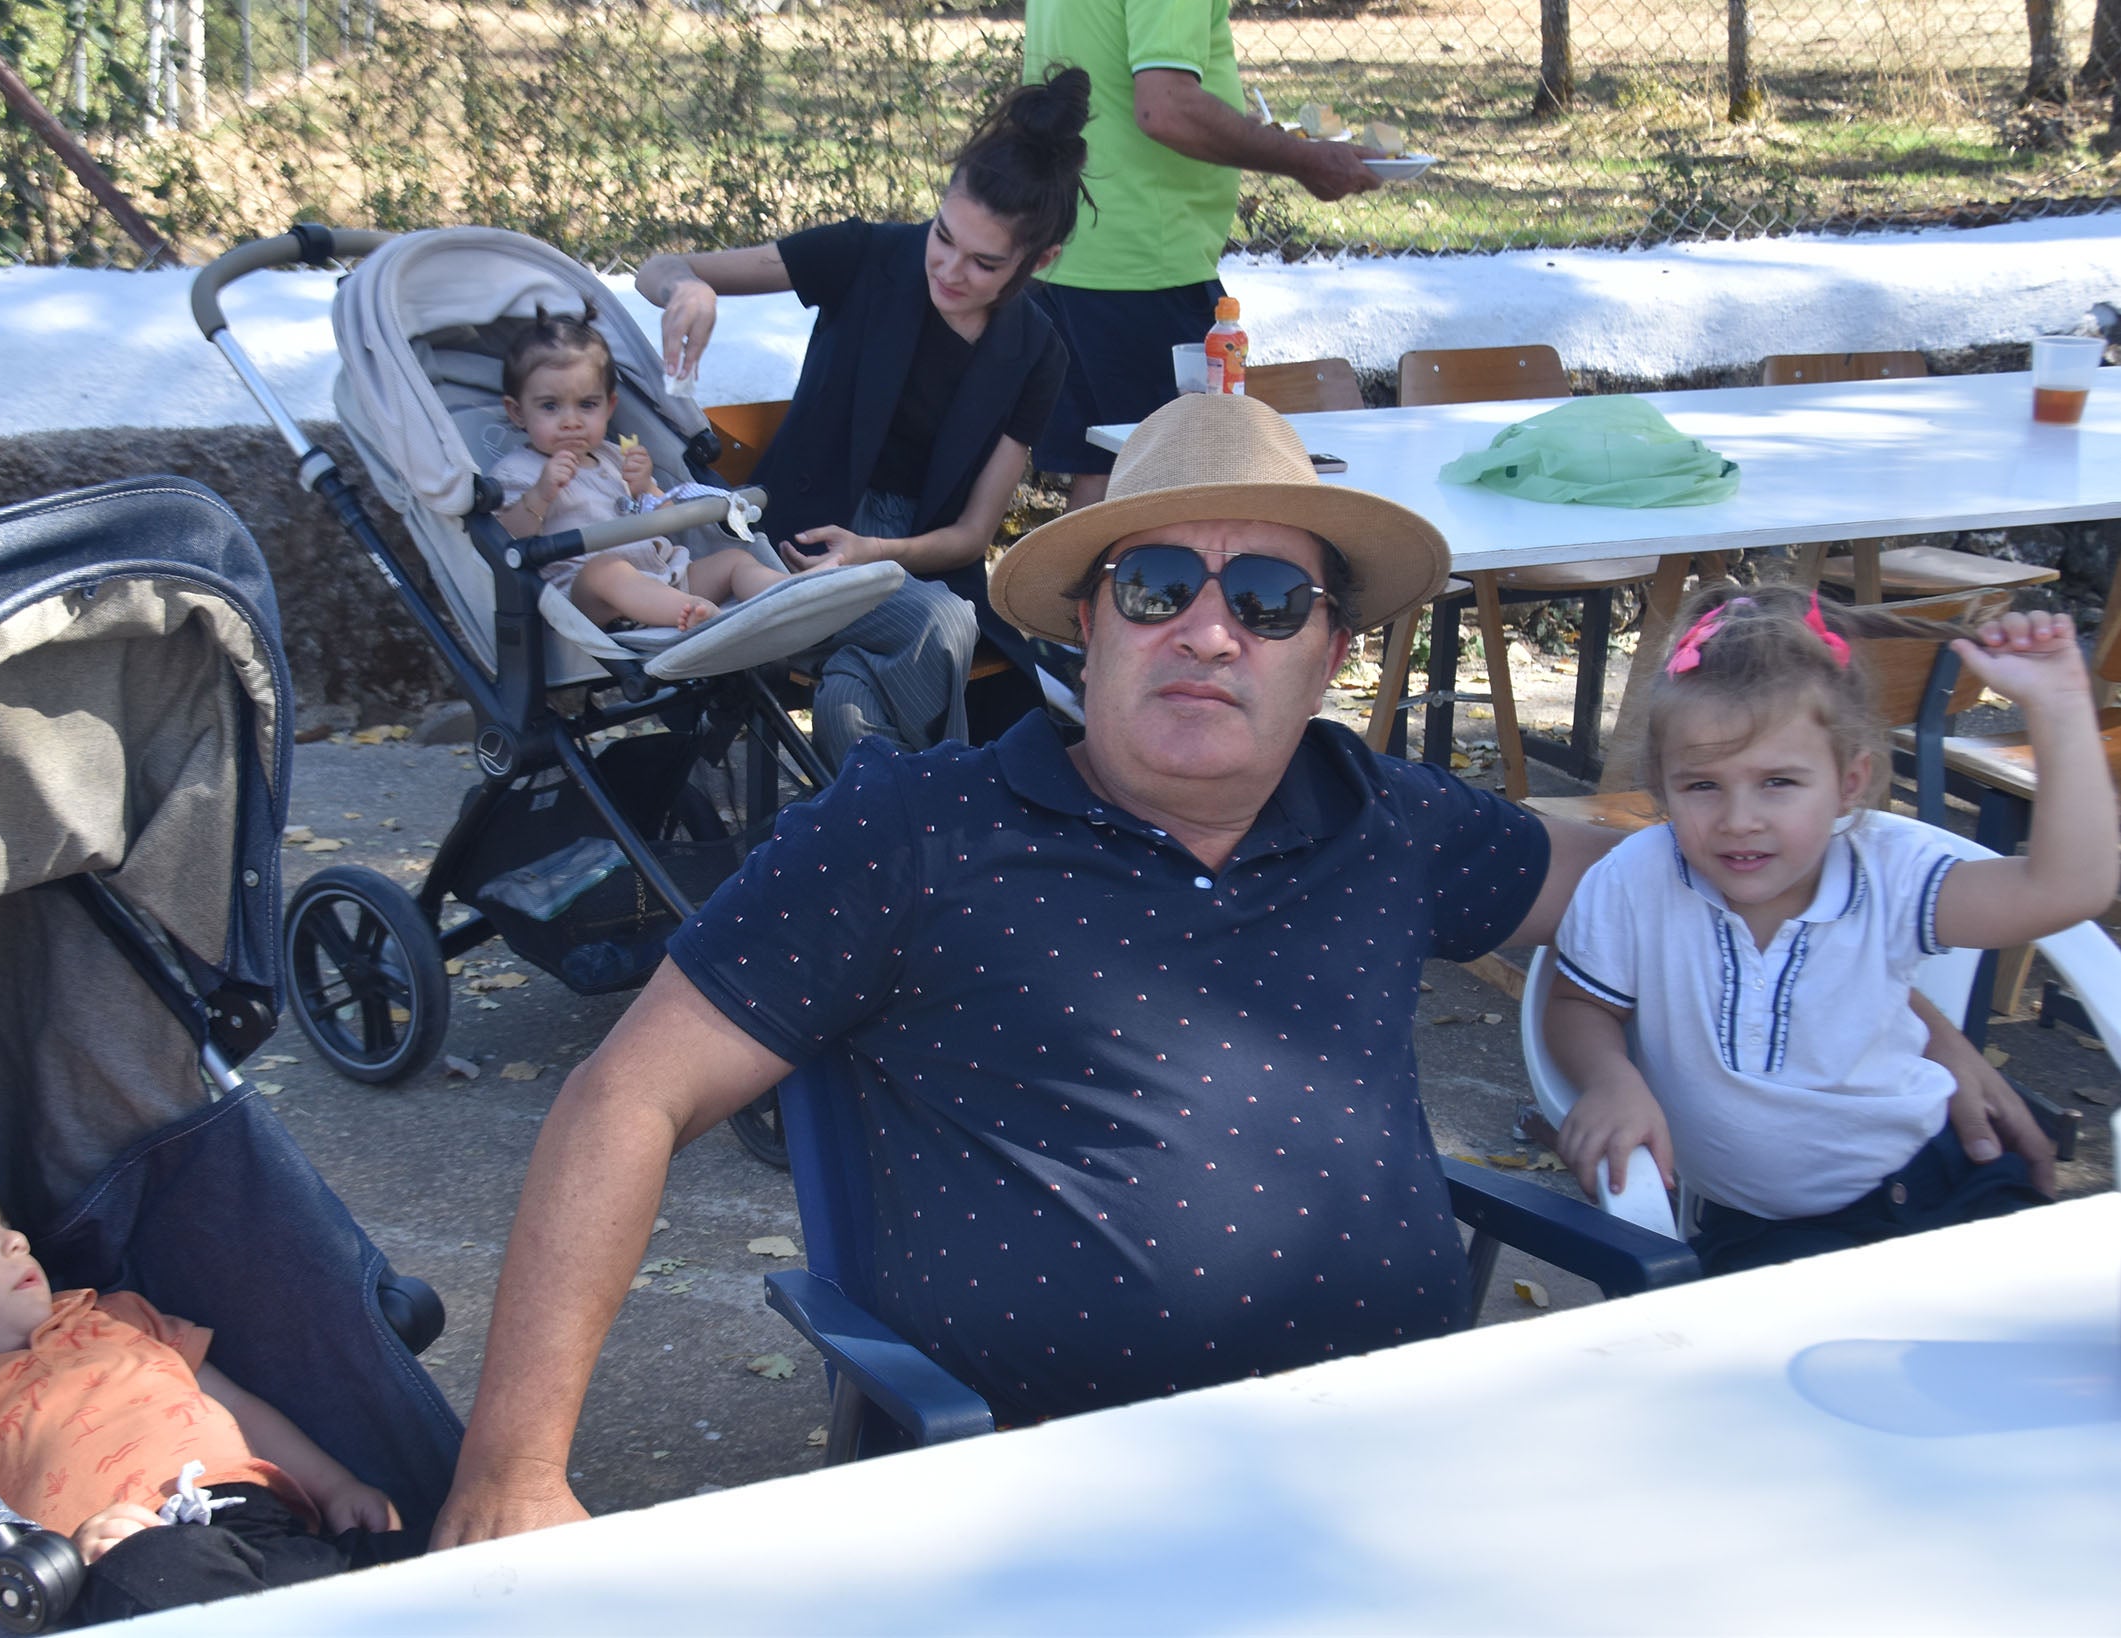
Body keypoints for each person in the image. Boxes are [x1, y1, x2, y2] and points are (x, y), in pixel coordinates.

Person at [429, 394, 2051, 1548]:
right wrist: (509, 1468)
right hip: (1042, 1513)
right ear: (1089, 621)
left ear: (1329, 649)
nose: (1211, 629)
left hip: (1401, 1483)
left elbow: (1688, 884)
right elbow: (626, 1094)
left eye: (1268, 595)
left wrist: (1900, 1020)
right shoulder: (913, 826)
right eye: (1160, 585)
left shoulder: (1384, 811)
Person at [1548, 586, 2112, 1275]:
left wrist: (2055, 709)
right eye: (1701, 786)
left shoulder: (1890, 879)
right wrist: (1609, 1080)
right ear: (1660, 785)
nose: (1738, 818)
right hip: (1765, 1236)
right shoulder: (1635, 880)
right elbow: (1580, 1006)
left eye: (1778, 782)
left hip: (1946, 1184)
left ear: (1849, 784)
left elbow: (2067, 888)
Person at [634, 67, 1095, 759]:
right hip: (793, 549)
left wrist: (877, 552)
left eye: (983, 262)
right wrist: (688, 290)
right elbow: (659, 267)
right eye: (943, 236)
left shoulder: (1036, 351)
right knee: (940, 637)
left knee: (940, 681)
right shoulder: (866, 256)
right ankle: (894, 815)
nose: (947, 269)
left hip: (919, 563)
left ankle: (858, 771)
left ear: (1041, 259)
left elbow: (970, 535)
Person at [0, 1147, 413, 1624]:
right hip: (122, 1562)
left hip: (263, 1522)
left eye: (3, 1223)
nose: (14, 1240)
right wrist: (67, 1558)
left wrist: (334, 1484)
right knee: (155, 1574)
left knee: (405, 1567)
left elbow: (238, 1408)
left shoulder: (116, 1319)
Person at [1022, 0, 1381, 510]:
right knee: (1188, 496)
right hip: (1145, 264)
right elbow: (1164, 109)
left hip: (1066, 248)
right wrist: (1306, 159)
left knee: (1104, 480)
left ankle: (1078, 594)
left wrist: (1239, 128)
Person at [491, 309, 793, 632]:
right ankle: (700, 615)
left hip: (664, 575)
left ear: (609, 407)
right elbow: (504, 542)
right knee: (605, 570)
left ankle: (789, 595)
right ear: (517, 411)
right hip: (589, 599)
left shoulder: (614, 456)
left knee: (734, 561)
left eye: (587, 405)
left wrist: (646, 487)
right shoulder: (517, 472)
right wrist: (539, 496)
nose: (571, 421)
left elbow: (668, 523)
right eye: (550, 406)